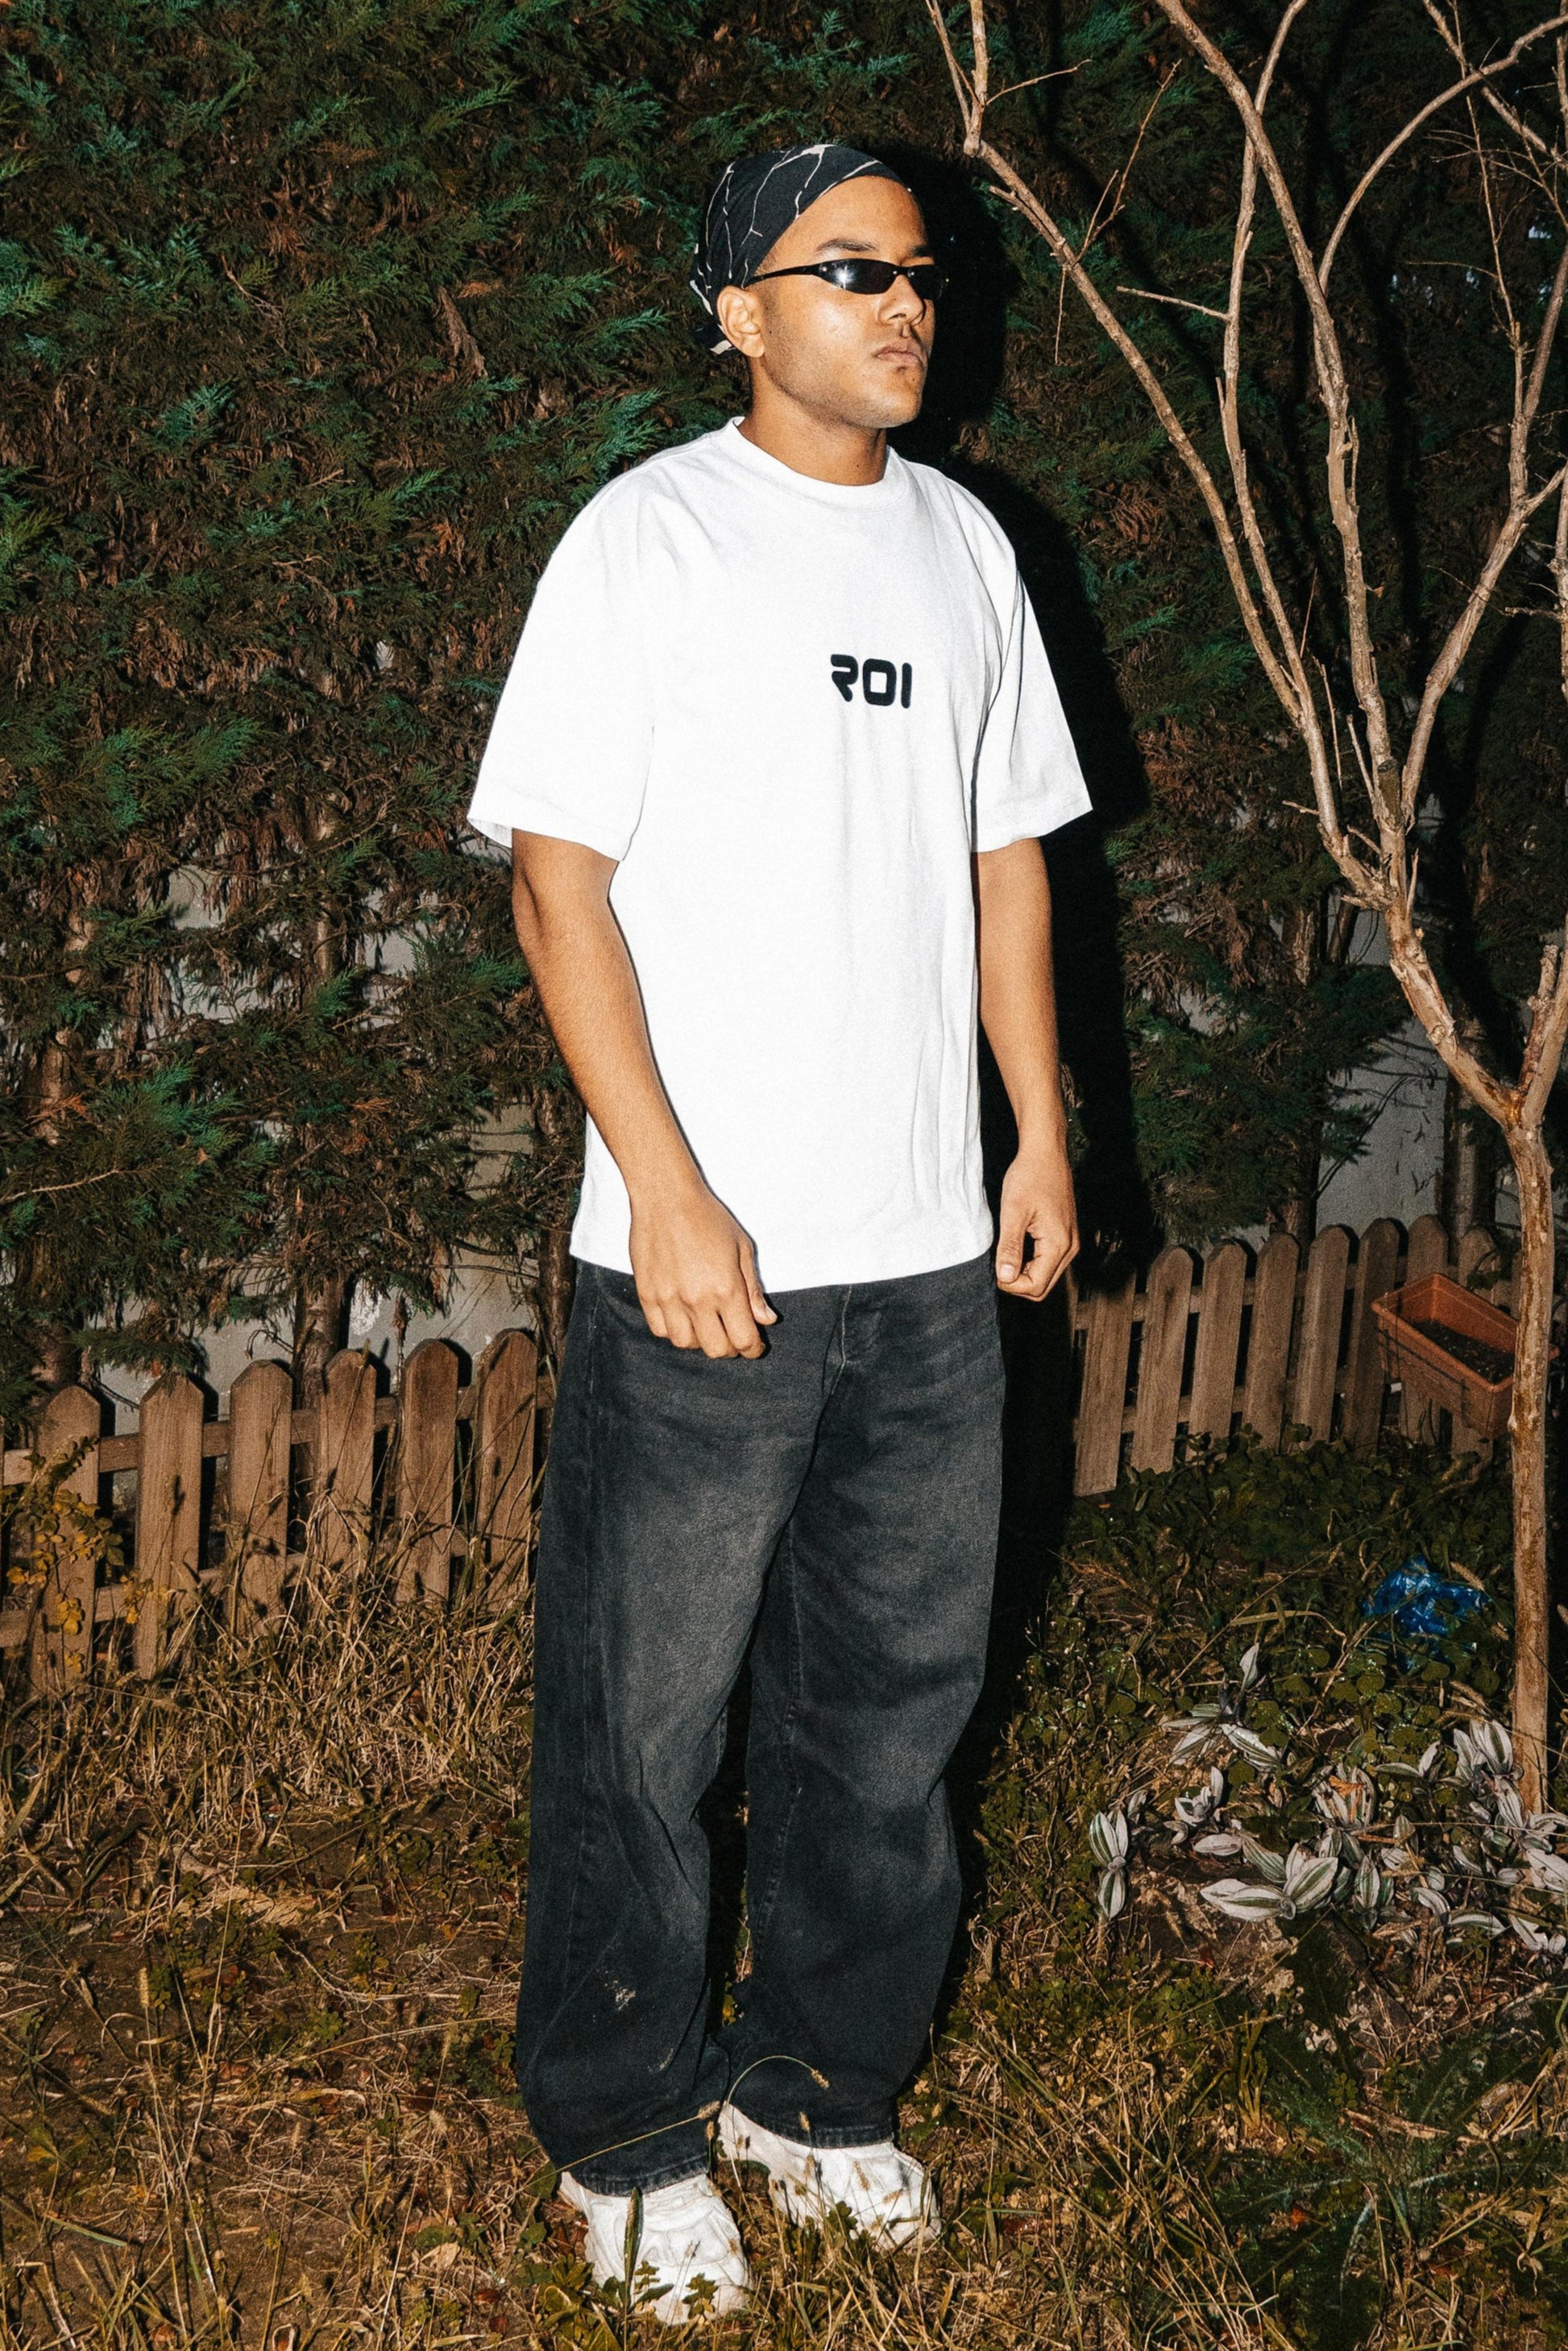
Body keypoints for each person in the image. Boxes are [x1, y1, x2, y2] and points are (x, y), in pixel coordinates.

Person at [467, 139, 1090, 2324]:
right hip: (704, 1261)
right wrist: (664, 1185)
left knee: (894, 1712)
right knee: (641, 1730)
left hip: (922, 1260)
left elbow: (1008, 855)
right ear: (738, 311)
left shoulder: (968, 548)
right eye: (848, 270)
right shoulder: (648, 540)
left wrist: (1038, 1131)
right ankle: (622, 2131)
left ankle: (817, 2092)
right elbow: (557, 885)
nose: (905, 305)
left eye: (920, 270)